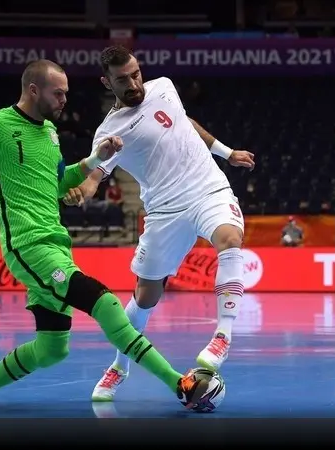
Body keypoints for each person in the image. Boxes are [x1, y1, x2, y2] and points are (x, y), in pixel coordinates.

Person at [0, 59, 211, 412]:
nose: (65, 100)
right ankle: (180, 384)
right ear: (33, 90)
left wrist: (92, 161)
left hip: (56, 243)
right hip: (28, 245)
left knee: (53, 348)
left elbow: (57, 183)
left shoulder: (51, 134)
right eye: (59, 93)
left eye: (66, 94)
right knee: (106, 304)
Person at [62, 45, 255, 402]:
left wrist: (228, 154)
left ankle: (223, 335)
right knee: (146, 295)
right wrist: (83, 190)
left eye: (135, 74)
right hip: (164, 210)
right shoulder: (110, 130)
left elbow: (187, 122)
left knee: (230, 239)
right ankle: (120, 365)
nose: (134, 83)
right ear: (107, 83)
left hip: (207, 188)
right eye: (123, 80)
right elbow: (97, 173)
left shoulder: (164, 85)